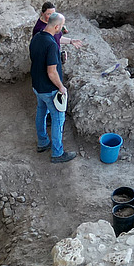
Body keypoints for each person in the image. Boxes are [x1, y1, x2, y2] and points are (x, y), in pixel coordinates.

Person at [30, 13, 76, 163]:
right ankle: (57, 153)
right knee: (57, 118)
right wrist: (61, 87)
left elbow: (37, 60)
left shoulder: (36, 37)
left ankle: (43, 142)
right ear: (56, 26)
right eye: (61, 26)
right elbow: (51, 72)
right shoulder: (51, 44)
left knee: (41, 112)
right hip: (49, 88)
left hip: (37, 86)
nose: (61, 29)